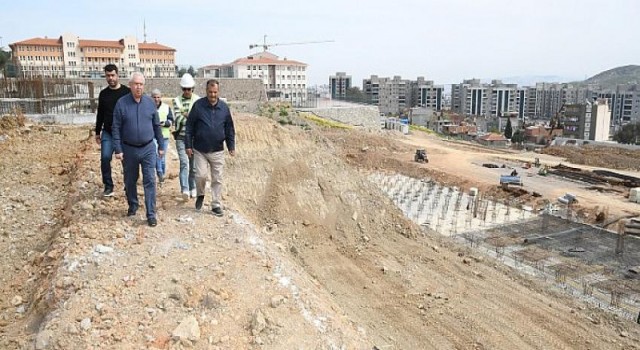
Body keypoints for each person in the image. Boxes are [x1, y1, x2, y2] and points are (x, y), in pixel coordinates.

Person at [112, 72, 165, 227]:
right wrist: (118, 148)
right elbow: (116, 127)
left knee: (149, 180)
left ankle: (151, 214)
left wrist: (161, 145)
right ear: (130, 85)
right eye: (136, 84)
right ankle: (133, 204)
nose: (138, 87)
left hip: (148, 148)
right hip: (129, 149)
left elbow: (156, 126)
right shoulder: (121, 103)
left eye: (141, 84)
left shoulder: (150, 103)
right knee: (130, 180)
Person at [185, 79, 235, 217]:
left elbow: (229, 128)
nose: (212, 95)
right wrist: (188, 145)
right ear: (206, 91)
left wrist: (231, 146)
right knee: (201, 175)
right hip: (200, 149)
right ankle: (200, 194)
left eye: (215, 92)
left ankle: (216, 204)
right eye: (210, 92)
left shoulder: (224, 108)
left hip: (218, 150)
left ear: (218, 92)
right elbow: (189, 126)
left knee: (217, 178)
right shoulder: (198, 106)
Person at [94, 64, 131, 197]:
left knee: (126, 161)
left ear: (118, 75)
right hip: (108, 133)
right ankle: (108, 186)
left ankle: (129, 186)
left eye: (113, 75)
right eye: (108, 76)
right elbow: (100, 114)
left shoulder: (127, 92)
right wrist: (97, 132)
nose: (111, 78)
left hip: (124, 134)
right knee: (104, 158)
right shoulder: (103, 94)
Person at [172, 73, 200, 199]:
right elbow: (178, 118)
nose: (187, 91)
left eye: (189, 89)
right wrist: (190, 116)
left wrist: (186, 114)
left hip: (195, 138)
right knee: (184, 163)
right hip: (181, 138)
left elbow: (198, 119)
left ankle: (192, 186)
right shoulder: (177, 100)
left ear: (192, 88)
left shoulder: (198, 100)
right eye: (184, 89)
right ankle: (185, 189)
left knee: (193, 166)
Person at [151, 88, 174, 183]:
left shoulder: (166, 107)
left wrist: (164, 123)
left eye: (158, 97)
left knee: (162, 157)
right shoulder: (148, 107)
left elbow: (171, 120)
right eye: (154, 97)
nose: (156, 99)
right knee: (157, 154)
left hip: (164, 135)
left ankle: (162, 175)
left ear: (161, 97)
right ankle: (159, 173)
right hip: (153, 135)